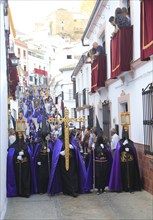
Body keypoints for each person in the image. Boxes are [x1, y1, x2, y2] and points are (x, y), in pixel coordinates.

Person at [47, 125, 87, 197]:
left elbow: (76, 150)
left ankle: (74, 190)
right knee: (65, 175)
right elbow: (56, 151)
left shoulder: (72, 139)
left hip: (71, 160)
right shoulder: (59, 140)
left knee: (73, 175)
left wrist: (73, 147)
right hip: (63, 160)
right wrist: (60, 153)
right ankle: (68, 190)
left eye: (68, 130)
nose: (67, 131)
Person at [108, 126, 141, 193]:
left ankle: (131, 187)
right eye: (124, 133)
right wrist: (123, 146)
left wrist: (129, 147)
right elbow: (118, 151)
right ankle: (124, 187)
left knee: (131, 175)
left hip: (130, 161)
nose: (125, 135)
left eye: (126, 133)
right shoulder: (119, 142)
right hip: (122, 162)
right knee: (124, 175)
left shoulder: (131, 142)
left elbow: (133, 151)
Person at [7, 132, 32, 197]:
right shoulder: (13, 146)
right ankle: (18, 192)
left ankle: (26, 192)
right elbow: (10, 154)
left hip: (25, 164)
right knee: (18, 178)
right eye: (19, 137)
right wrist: (16, 156)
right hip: (17, 164)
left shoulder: (26, 145)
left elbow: (29, 154)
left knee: (25, 178)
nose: (20, 138)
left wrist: (24, 153)